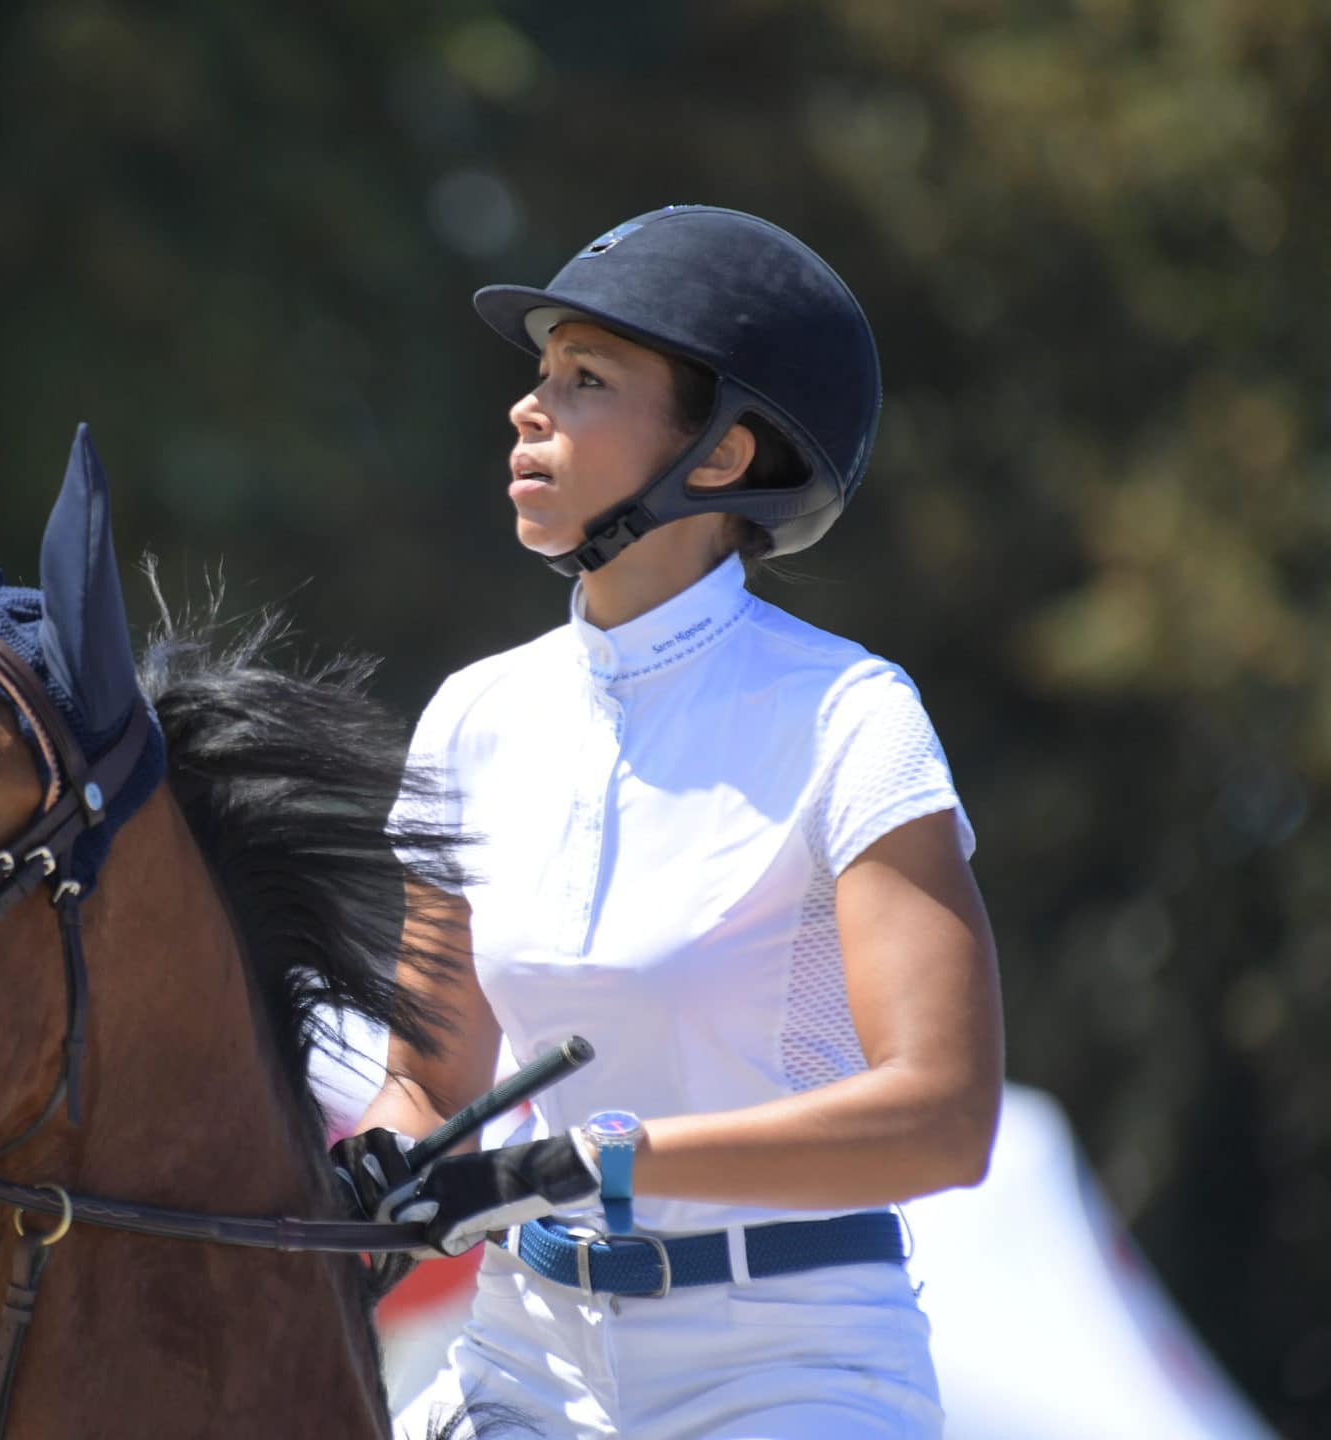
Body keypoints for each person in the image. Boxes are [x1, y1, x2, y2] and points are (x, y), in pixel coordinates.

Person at [333, 206, 1004, 1439]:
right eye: (539, 377)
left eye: (586, 380)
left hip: (791, 1363)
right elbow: (426, 1087)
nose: (528, 410)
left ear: (726, 452)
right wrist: (375, 1155)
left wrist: (601, 1160)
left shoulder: (853, 718)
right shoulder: (470, 717)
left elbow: (944, 1119)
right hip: (526, 1351)